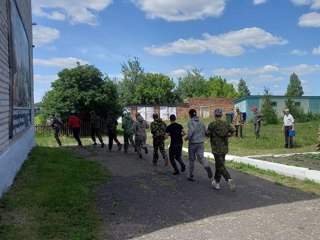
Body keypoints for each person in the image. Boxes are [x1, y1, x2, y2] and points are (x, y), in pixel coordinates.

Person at [206, 108, 236, 191]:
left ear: (215, 115)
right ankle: (216, 182)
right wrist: (227, 136)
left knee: (220, 165)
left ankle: (229, 179)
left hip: (216, 149)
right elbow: (233, 132)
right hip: (224, 149)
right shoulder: (226, 124)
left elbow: (207, 135)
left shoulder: (212, 125)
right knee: (219, 165)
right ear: (221, 115)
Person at [184, 109, 213, 182]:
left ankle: (190, 175)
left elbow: (192, 131)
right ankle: (206, 166)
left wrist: (186, 138)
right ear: (195, 114)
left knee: (191, 159)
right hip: (200, 143)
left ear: (190, 115)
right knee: (201, 157)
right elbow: (206, 132)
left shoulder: (190, 122)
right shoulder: (201, 122)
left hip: (193, 143)